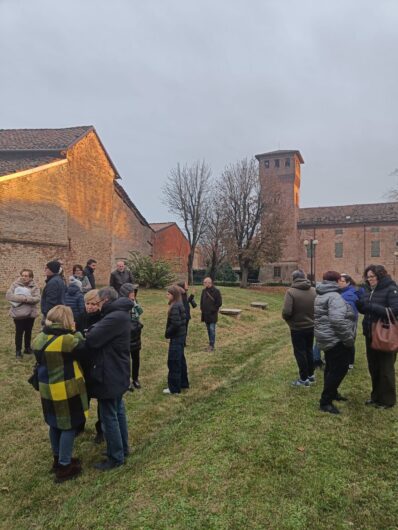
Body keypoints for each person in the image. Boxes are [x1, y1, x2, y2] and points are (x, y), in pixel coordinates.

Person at [32, 305, 88, 483]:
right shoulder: (68, 340)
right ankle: (65, 466)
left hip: (47, 388)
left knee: (54, 424)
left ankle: (57, 459)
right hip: (66, 389)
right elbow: (84, 348)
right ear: (66, 320)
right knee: (68, 425)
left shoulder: (40, 338)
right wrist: (76, 331)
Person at [85, 287, 132, 470]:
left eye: (98, 301)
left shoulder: (114, 317)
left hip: (110, 372)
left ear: (104, 300)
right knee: (117, 410)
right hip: (117, 369)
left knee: (108, 415)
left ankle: (115, 457)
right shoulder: (119, 315)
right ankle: (122, 448)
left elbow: (93, 339)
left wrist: (88, 332)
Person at [356, 265, 398, 409]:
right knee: (373, 367)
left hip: (385, 335)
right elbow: (366, 308)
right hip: (370, 334)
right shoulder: (370, 290)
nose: (370, 280)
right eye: (368, 277)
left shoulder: (391, 289)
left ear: (380, 276)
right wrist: (360, 305)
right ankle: (376, 396)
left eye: (372, 277)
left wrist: (372, 307)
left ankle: (387, 400)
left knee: (385, 369)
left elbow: (395, 310)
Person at [315, 271, 356, 414]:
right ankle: (325, 402)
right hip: (335, 339)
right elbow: (337, 321)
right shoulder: (334, 296)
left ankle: (332, 393)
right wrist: (348, 339)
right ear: (337, 281)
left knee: (331, 367)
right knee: (339, 369)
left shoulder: (321, 294)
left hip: (325, 337)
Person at [75, 289, 104, 444]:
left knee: (100, 398)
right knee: (81, 397)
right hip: (82, 363)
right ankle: (79, 425)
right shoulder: (80, 317)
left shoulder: (103, 319)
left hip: (97, 363)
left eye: (94, 304)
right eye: (88, 303)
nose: (90, 307)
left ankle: (101, 430)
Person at [282, 270, 316, 387]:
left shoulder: (291, 292)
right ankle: (311, 375)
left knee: (300, 353)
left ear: (293, 278)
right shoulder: (313, 291)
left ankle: (303, 379)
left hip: (297, 328)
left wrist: (288, 320)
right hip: (311, 326)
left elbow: (286, 311)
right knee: (309, 350)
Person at [6, 269, 41, 359]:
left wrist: (27, 299)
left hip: (30, 313)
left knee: (28, 331)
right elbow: (9, 296)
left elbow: (37, 298)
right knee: (19, 332)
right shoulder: (15, 284)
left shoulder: (35, 286)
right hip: (18, 313)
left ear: (31, 277)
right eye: (23, 275)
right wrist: (23, 298)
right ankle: (18, 351)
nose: (24, 277)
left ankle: (27, 348)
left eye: (26, 276)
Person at [163, 285, 188, 394]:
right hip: (180, 337)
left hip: (177, 337)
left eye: (168, 294)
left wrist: (167, 333)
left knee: (174, 362)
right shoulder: (179, 304)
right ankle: (183, 383)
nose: (166, 295)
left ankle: (174, 388)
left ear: (174, 295)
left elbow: (176, 324)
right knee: (180, 360)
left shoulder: (175, 307)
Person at [119, 283, 144, 391]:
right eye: (131, 292)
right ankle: (126, 380)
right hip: (126, 333)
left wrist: (134, 303)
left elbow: (140, 312)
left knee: (136, 357)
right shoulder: (121, 304)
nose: (133, 294)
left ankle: (135, 378)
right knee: (125, 359)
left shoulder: (135, 302)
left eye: (134, 292)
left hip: (136, 333)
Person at [338, 273, 361, 369]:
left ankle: (349, 363)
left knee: (349, 341)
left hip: (349, 321)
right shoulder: (343, 292)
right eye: (339, 281)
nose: (340, 283)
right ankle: (348, 361)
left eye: (342, 281)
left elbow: (352, 312)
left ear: (348, 283)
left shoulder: (349, 294)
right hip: (347, 321)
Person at [200, 277, 222, 351]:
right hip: (205, 314)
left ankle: (212, 345)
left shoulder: (216, 291)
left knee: (212, 329)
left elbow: (219, 303)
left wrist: (213, 310)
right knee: (208, 330)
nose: (204, 284)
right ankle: (210, 344)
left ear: (209, 283)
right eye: (204, 282)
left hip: (212, 315)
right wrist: (202, 308)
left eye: (205, 282)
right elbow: (201, 301)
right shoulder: (203, 291)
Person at [177, 281, 197, 346]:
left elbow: (188, 301)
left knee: (185, 329)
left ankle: (183, 343)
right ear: (182, 286)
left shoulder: (185, 293)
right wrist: (192, 294)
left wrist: (192, 295)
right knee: (182, 330)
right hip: (182, 315)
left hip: (186, 315)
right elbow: (185, 302)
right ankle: (180, 342)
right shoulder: (180, 295)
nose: (187, 285)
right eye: (186, 284)